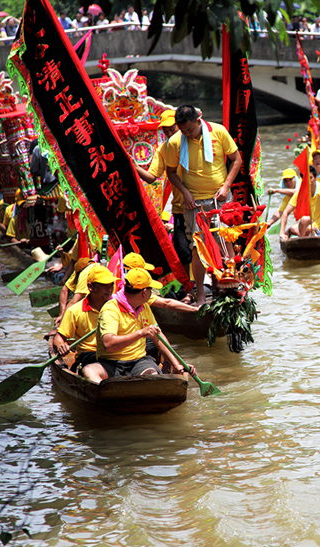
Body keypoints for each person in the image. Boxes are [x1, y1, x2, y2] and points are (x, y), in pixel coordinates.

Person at [164, 105, 242, 306]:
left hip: (221, 198)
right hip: (194, 203)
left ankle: (228, 288)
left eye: (189, 129)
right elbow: (171, 172)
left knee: (225, 242)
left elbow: (236, 160)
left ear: (198, 121)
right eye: (183, 131)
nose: (187, 134)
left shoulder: (219, 131)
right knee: (197, 248)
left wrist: (226, 186)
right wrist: (185, 193)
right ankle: (200, 295)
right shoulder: (174, 142)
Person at [96, 268, 192, 378]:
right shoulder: (110, 309)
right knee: (89, 371)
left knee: (152, 375)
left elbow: (158, 337)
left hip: (139, 361)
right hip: (111, 363)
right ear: (144, 292)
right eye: (151, 289)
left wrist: (177, 365)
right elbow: (108, 345)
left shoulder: (144, 306)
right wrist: (141, 333)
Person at [135, 110, 193, 269]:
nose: (168, 133)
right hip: (180, 207)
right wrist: (133, 166)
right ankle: (190, 288)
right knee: (183, 250)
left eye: (172, 129)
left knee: (207, 245)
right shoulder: (163, 149)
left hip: (201, 202)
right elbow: (151, 177)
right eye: (165, 131)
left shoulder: (195, 142)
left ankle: (216, 284)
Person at [54, 264, 117, 382]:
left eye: (111, 285)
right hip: (90, 355)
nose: (109, 289)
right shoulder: (75, 310)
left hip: (114, 353)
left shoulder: (118, 307)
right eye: (104, 285)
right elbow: (59, 338)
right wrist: (61, 345)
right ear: (90, 287)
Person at [55, 257, 95, 326]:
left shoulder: (85, 273)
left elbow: (73, 302)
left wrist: (61, 325)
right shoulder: (92, 265)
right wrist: (62, 313)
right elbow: (64, 290)